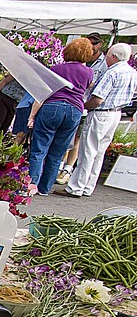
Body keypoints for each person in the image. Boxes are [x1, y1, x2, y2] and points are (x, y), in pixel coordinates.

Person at [66, 43, 137, 197]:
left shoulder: (112, 73)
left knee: (88, 151)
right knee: (99, 152)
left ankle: (76, 187)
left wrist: (83, 106)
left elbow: (98, 99)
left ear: (114, 57)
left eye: (108, 56)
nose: (106, 59)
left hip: (101, 113)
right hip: (116, 113)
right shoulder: (132, 72)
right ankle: (88, 186)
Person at [27, 38, 94, 196]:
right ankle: (45, 188)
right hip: (74, 110)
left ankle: (31, 185)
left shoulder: (56, 69)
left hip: (52, 107)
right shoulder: (89, 72)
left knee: (39, 149)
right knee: (57, 152)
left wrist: (32, 115)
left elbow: (42, 93)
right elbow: (89, 87)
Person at [58, 33, 108, 185]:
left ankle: (67, 169)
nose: (92, 45)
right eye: (89, 42)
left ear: (100, 44)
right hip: (75, 103)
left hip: (85, 105)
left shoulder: (103, 64)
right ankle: (59, 166)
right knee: (65, 137)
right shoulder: (80, 63)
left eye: (95, 43)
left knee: (77, 138)